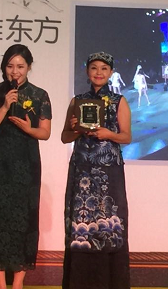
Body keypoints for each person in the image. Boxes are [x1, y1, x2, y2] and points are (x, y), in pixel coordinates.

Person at [0, 44, 52, 289]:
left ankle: (18, 281)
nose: (15, 71)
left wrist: (29, 129)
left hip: (27, 165)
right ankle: (0, 282)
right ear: (4, 67)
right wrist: (4, 106)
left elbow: (45, 133)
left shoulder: (40, 95)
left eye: (20, 66)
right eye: (10, 66)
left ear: (29, 67)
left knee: (24, 219)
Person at [61, 52, 132, 289]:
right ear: (87, 71)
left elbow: (126, 136)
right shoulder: (77, 101)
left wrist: (109, 134)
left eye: (104, 68)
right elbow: (64, 137)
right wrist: (75, 129)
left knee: (108, 224)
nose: (98, 72)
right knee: (80, 224)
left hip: (109, 171)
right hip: (82, 169)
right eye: (94, 68)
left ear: (111, 72)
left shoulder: (119, 101)